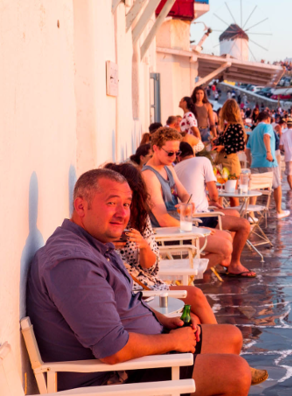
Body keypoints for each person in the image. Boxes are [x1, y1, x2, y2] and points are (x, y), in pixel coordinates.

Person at [26, 168, 266, 393]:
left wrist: (160, 319)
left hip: (135, 356)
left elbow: (123, 300)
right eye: (111, 203)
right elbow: (112, 350)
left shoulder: (96, 245)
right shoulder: (73, 263)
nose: (122, 213)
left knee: (230, 336)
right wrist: (170, 341)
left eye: (126, 204)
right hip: (111, 376)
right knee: (236, 373)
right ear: (81, 206)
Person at [105, 163, 217, 323]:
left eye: (129, 198)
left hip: (147, 284)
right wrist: (106, 244)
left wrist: (143, 246)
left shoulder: (140, 218)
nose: (123, 207)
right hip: (128, 292)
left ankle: (214, 342)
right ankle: (216, 342)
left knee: (194, 314)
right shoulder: (101, 222)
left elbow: (152, 268)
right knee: (193, 309)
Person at [141, 127, 234, 270]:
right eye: (170, 153)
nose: (173, 157)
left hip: (178, 227)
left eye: (177, 153)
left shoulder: (168, 167)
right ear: (156, 148)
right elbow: (162, 220)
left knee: (227, 238)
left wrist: (188, 204)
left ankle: (185, 274)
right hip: (165, 234)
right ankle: (181, 275)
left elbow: (184, 194)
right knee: (225, 247)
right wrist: (192, 229)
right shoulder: (149, 176)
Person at [175, 142, 256, 278]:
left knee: (234, 213)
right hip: (200, 216)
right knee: (244, 225)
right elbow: (214, 194)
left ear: (179, 156)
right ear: (193, 153)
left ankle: (226, 258)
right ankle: (234, 264)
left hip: (189, 215)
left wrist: (208, 202)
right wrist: (212, 200)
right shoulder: (203, 160)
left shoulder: (175, 168)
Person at [245, 111, 290, 218]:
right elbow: (266, 137)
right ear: (268, 119)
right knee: (277, 186)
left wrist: (250, 161)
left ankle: (251, 214)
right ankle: (279, 211)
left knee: (254, 188)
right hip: (269, 162)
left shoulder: (253, 131)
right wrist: (269, 153)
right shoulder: (268, 126)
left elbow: (247, 150)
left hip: (255, 164)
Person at [213, 99, 247, 179]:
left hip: (230, 162)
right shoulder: (228, 125)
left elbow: (240, 146)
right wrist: (216, 141)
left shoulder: (236, 126)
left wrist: (223, 147)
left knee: (230, 189)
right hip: (222, 161)